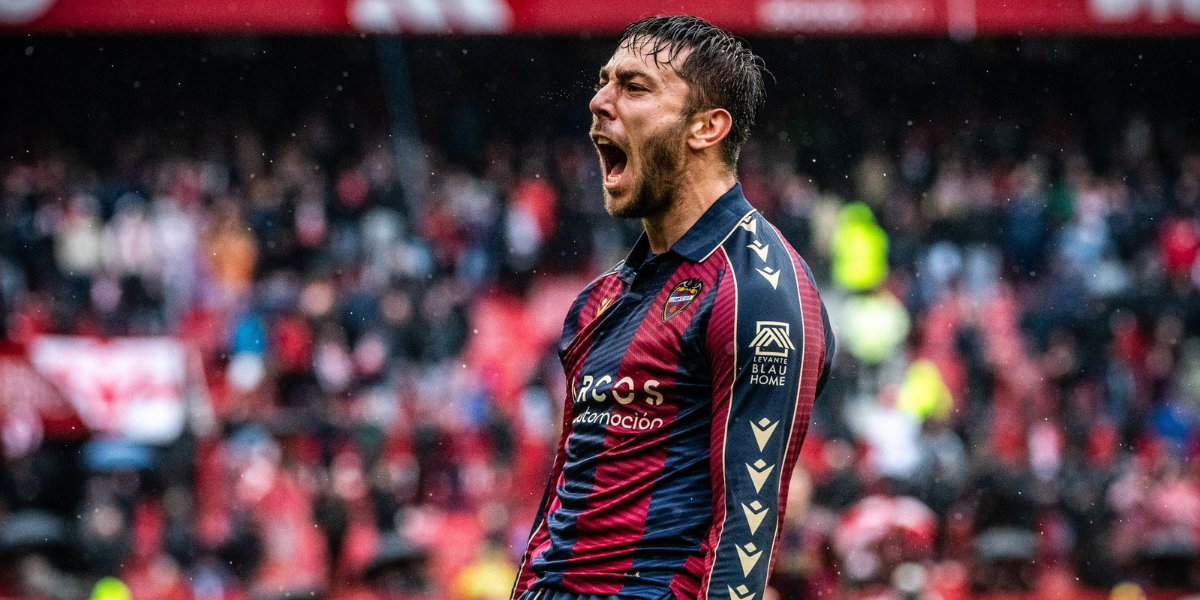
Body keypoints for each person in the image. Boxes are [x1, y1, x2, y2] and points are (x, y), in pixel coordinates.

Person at [510, 15, 835, 600]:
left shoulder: (758, 289)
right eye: (604, 81)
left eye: (634, 88)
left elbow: (746, 527)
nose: (598, 101)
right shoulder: (599, 300)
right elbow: (564, 497)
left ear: (706, 128)